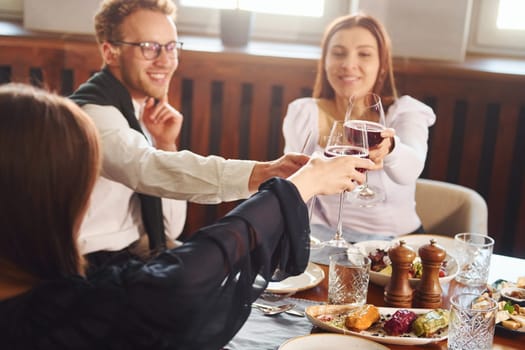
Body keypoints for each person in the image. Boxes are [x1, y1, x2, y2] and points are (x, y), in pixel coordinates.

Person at [0, 83, 373, 350]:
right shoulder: (51, 315)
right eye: (86, 182)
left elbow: (171, 238)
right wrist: (295, 188)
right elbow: (177, 284)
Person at [69, 0, 308, 268]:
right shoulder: (95, 115)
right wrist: (263, 173)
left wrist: (165, 142)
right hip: (88, 264)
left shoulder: (139, 112)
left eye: (171, 47)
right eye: (149, 47)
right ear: (110, 52)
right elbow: (145, 168)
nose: (165, 60)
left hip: (136, 251)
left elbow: (169, 229)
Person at [283, 13, 436, 240]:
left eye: (364, 54)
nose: (348, 64)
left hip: (396, 244)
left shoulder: (406, 112)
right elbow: (295, 184)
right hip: (327, 239)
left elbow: (411, 169)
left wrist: (391, 148)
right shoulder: (303, 112)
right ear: (324, 61)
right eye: (338, 53)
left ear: (381, 65)